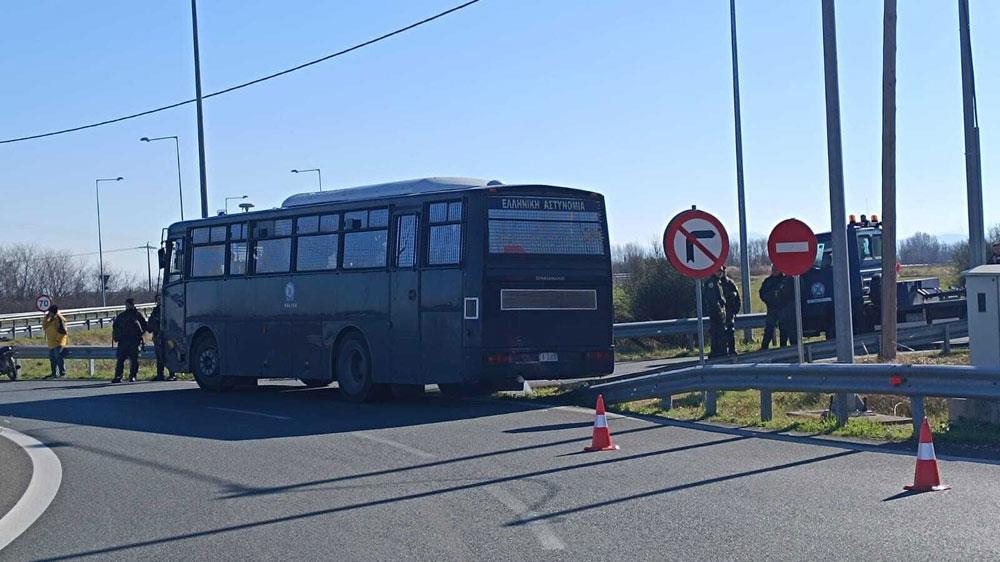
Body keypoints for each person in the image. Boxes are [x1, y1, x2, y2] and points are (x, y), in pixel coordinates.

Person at [112, 298, 148, 383]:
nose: (127, 306)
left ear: (132, 305)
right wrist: (117, 336)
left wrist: (139, 336)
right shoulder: (122, 315)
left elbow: (144, 326)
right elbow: (115, 326)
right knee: (120, 359)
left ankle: (133, 376)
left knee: (134, 360)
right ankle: (118, 376)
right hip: (123, 341)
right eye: (126, 304)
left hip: (134, 341)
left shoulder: (138, 315)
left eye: (128, 304)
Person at [759, 266, 786, 350]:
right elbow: (762, 293)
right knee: (769, 329)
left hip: (783, 309)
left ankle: (783, 348)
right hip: (771, 309)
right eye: (773, 269)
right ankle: (764, 348)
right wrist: (768, 299)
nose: (774, 271)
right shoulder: (768, 281)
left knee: (784, 329)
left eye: (776, 269)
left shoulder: (785, 280)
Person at [147, 300, 174, 381]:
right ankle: (160, 374)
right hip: (157, 336)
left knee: (169, 355)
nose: (159, 301)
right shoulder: (155, 311)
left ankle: (172, 374)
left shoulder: (168, 309)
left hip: (168, 336)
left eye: (160, 299)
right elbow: (150, 323)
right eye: (158, 300)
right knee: (159, 356)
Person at [702, 269, 727, 359]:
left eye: (721, 271)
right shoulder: (712, 283)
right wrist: (719, 310)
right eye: (718, 271)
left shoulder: (718, 281)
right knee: (717, 332)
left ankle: (720, 351)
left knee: (719, 332)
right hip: (716, 312)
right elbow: (713, 299)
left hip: (718, 311)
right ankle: (717, 352)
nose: (720, 273)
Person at [42, 304, 69, 378]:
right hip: (51, 342)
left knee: (58, 357)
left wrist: (58, 340)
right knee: (52, 358)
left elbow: (63, 331)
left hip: (58, 342)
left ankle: (62, 373)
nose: (49, 313)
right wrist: (46, 318)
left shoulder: (59, 319)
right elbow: (44, 327)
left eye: (50, 312)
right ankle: (54, 373)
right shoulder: (49, 318)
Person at [720, 266, 741, 356]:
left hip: (729, 311)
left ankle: (732, 349)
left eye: (723, 271)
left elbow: (738, 298)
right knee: (721, 332)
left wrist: (735, 310)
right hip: (720, 311)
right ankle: (722, 350)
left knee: (730, 331)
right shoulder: (717, 283)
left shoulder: (730, 283)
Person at [778, 275, 798, 346]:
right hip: (785, 311)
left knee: (792, 333)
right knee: (784, 334)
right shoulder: (783, 280)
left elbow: (785, 293)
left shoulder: (792, 280)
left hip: (790, 310)